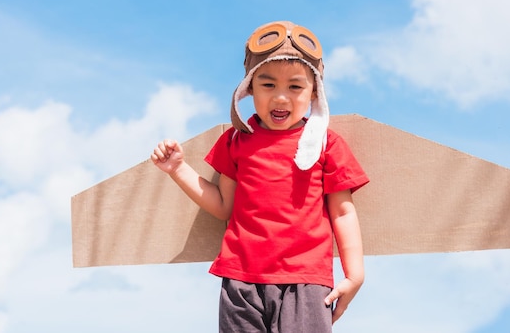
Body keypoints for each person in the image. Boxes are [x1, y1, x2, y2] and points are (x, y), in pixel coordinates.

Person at [151, 20, 369, 332]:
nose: (281, 98)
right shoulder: (237, 140)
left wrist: (355, 274)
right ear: (249, 88)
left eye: (295, 86)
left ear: (314, 92)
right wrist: (177, 169)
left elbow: (343, 211)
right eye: (268, 85)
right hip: (241, 281)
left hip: (306, 282)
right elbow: (224, 206)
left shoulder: (326, 143)